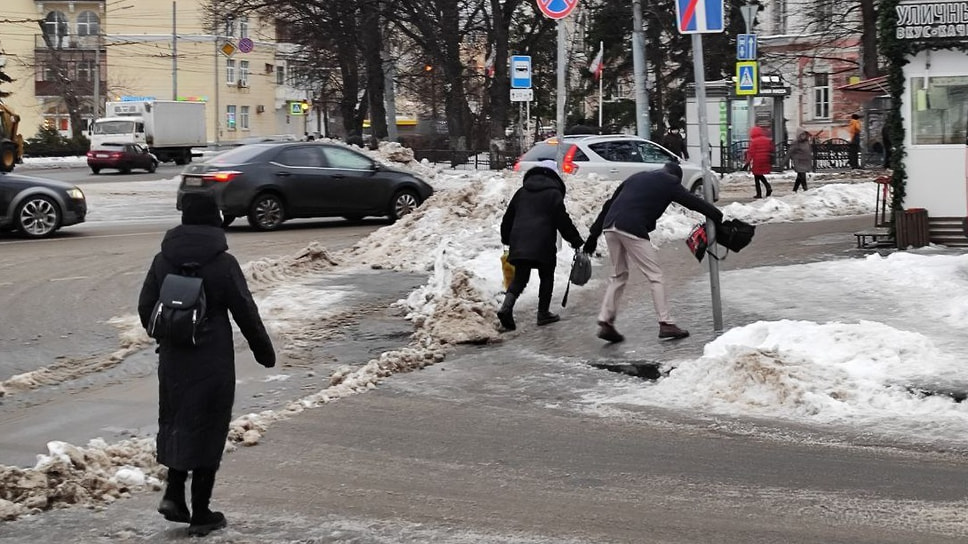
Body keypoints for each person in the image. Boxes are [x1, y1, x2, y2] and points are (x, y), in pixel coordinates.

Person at [138, 193, 275, 537]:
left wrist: (170, 335)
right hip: (213, 359)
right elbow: (245, 310)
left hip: (173, 358)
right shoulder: (223, 262)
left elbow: (145, 308)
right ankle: (200, 512)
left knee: (176, 420)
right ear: (214, 219)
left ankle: (173, 493)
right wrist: (264, 352)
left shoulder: (162, 259)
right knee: (210, 427)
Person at [582, 161, 724, 343]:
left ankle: (605, 320)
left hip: (610, 226)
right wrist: (716, 214)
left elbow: (609, 204)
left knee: (619, 275)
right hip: (631, 227)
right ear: (676, 177)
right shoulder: (670, 182)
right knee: (655, 275)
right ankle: (666, 323)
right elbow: (692, 202)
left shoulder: (637, 177)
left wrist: (593, 236)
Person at [498, 160, 584, 331]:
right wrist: (576, 241)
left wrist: (506, 239)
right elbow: (563, 221)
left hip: (520, 242)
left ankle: (506, 307)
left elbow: (507, 219)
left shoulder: (521, 192)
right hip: (543, 243)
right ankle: (543, 313)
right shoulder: (553, 194)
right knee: (547, 276)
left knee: (520, 278)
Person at [746, 126, 773, 198]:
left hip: (757, 160)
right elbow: (771, 148)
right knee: (759, 175)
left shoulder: (754, 141)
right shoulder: (767, 140)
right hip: (766, 159)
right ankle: (768, 187)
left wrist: (747, 161)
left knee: (757, 176)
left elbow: (751, 152)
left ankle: (760, 193)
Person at [784, 127, 813, 192]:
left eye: (805, 134)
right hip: (798, 162)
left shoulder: (806, 142)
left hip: (805, 162)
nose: (804, 136)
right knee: (802, 176)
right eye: (802, 134)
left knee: (799, 177)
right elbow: (789, 152)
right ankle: (805, 189)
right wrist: (784, 162)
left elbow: (808, 151)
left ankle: (794, 190)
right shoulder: (796, 143)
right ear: (799, 135)